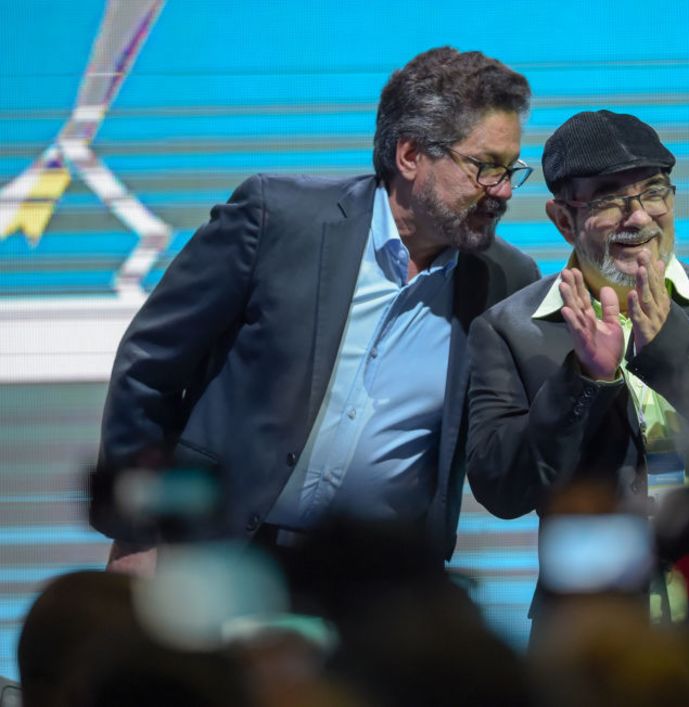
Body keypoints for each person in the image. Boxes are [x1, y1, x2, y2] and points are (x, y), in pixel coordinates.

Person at [93, 47, 540, 574]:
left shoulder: (506, 282)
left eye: (512, 169)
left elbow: (501, 456)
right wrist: (137, 528)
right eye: (484, 167)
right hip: (217, 553)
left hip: (377, 584)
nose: (504, 190)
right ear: (411, 155)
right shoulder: (275, 220)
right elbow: (150, 367)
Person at [465, 109, 689, 541]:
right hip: (597, 603)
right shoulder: (508, 331)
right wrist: (584, 380)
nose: (638, 218)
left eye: (654, 192)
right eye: (608, 200)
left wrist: (674, 346)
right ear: (562, 220)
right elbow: (502, 490)